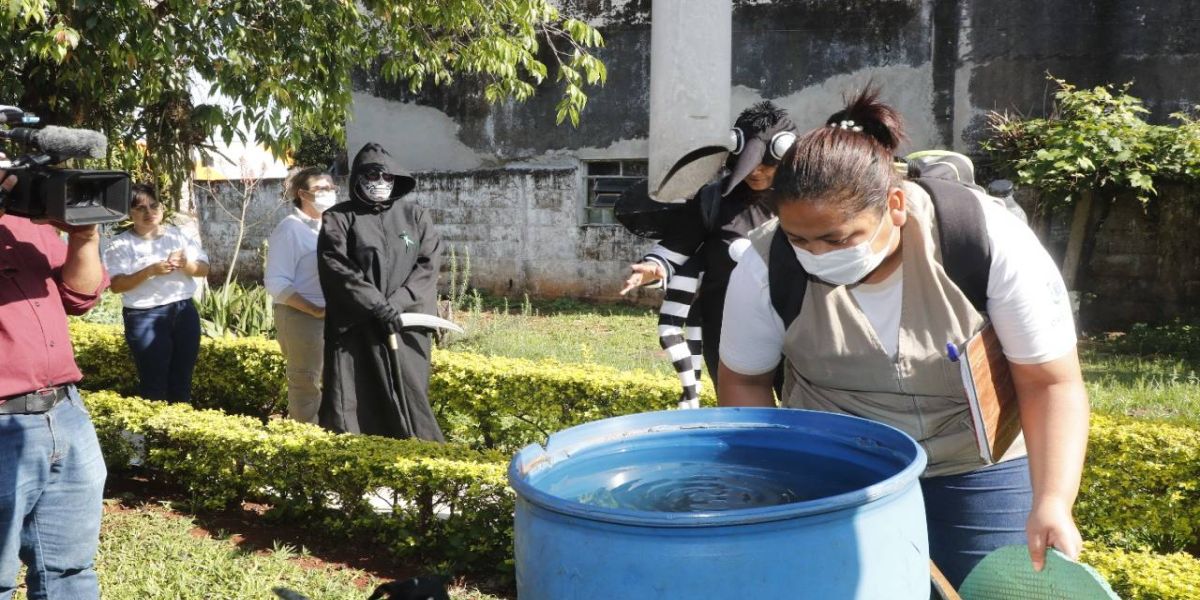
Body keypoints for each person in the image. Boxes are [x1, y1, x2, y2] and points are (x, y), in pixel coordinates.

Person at [717, 89, 1089, 587]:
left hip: (977, 466)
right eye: (799, 239)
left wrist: (1052, 502)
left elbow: (1050, 383)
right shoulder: (764, 264)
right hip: (841, 465)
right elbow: (744, 382)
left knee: (992, 591)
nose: (816, 255)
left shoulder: (984, 238)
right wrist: (775, 481)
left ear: (894, 205)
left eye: (837, 238)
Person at [618, 101, 797, 404]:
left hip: (792, 326)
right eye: (750, 164)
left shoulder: (804, 199)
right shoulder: (714, 199)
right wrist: (654, 267)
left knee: (799, 413)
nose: (757, 172)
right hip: (728, 329)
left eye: (767, 165)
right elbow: (678, 245)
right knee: (743, 420)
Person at [0, 156, 109, 598]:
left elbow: (81, 295)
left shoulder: (29, 223)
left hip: (65, 414)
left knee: (69, 570)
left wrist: (85, 234)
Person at [317, 143, 444, 441]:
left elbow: (428, 265)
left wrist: (397, 305)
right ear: (358, 179)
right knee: (358, 397)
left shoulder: (416, 216)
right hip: (358, 327)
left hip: (406, 325)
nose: (380, 184)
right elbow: (337, 266)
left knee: (411, 392)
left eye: (387, 178)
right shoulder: (338, 219)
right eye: (372, 177)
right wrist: (376, 306)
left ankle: (419, 455)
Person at [103, 183, 209, 403]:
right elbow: (116, 285)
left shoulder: (179, 235)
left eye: (153, 206)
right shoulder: (120, 243)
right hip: (144, 315)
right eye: (140, 208)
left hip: (183, 310)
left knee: (182, 379)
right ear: (129, 212)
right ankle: (157, 435)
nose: (149, 213)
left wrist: (185, 265)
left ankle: (181, 432)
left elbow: (203, 269)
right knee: (154, 384)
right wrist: (150, 271)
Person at [265, 167, 338, 423]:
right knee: (306, 383)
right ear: (302, 194)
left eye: (331, 188)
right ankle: (308, 447)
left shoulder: (331, 226)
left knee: (334, 380)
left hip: (333, 315)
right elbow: (276, 282)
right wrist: (314, 310)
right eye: (320, 189)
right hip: (302, 317)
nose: (328, 193)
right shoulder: (291, 229)